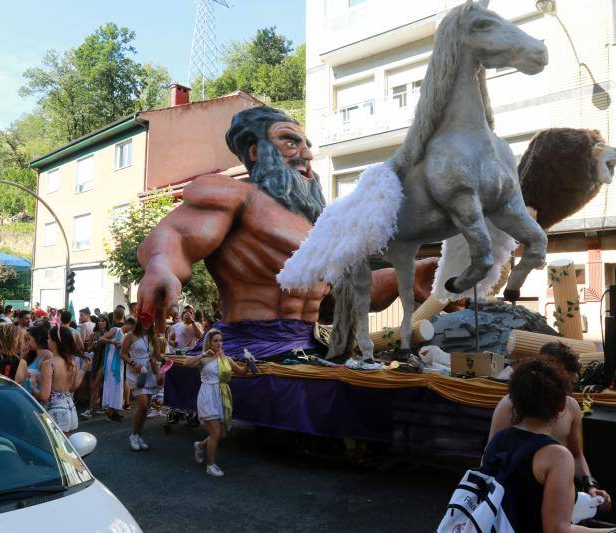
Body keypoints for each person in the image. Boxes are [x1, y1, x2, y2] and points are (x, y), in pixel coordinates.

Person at [137, 105, 441, 359]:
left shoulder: (321, 226)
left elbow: (344, 290)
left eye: (306, 146)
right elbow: (175, 237)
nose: (306, 155)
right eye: (290, 142)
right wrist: (161, 267)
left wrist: (412, 275)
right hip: (251, 352)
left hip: (312, 349)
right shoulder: (234, 195)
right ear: (256, 152)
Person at [483, 361, 611, 532]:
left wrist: (588, 486)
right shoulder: (557, 457)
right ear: (561, 405)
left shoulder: (499, 439)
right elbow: (557, 529)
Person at [184, 328, 254, 477]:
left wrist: (248, 363)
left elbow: (241, 372)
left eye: (220, 340)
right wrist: (202, 354)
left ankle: (200, 445)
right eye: (215, 340)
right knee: (215, 433)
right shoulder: (204, 359)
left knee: (221, 435)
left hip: (221, 396)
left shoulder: (226, 358)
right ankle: (210, 465)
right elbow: (186, 363)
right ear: (209, 342)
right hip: (207, 395)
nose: (219, 343)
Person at [123, 312, 166, 451]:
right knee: (142, 405)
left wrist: (169, 359)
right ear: (140, 322)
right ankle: (134, 435)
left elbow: (157, 356)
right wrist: (132, 363)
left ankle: (139, 435)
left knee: (146, 407)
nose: (147, 324)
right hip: (137, 371)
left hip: (150, 371)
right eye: (144, 321)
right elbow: (122, 353)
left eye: (149, 321)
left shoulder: (153, 336)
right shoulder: (130, 336)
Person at [38, 325, 88, 435]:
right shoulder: (72, 363)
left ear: (55, 342)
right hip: (71, 410)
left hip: (56, 412)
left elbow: (44, 396)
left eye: (49, 338)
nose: (47, 340)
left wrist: (32, 386)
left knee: (55, 449)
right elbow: (72, 388)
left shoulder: (49, 364)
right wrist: (83, 370)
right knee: (66, 448)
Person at [99, 315, 134, 421]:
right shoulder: (115, 330)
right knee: (112, 385)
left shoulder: (127, 335)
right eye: (132, 327)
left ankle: (114, 410)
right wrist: (112, 342)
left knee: (118, 387)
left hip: (120, 363)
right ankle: (110, 412)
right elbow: (102, 339)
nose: (132, 330)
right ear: (128, 324)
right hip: (111, 362)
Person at [81, 315, 110, 419]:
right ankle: (103, 406)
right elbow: (88, 349)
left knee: (95, 386)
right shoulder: (94, 334)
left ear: (107, 322)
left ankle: (89, 410)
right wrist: (92, 345)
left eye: (103, 321)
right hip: (96, 362)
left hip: (105, 363)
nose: (101, 323)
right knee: (101, 385)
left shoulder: (110, 333)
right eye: (99, 321)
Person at [24, 325, 53, 399]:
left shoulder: (47, 355)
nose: (27, 342)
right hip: (26, 396)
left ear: (37, 339)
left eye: (29, 339)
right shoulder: (30, 354)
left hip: (36, 399)